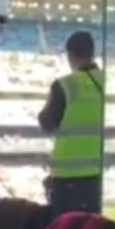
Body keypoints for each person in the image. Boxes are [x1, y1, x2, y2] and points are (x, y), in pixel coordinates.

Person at [38, 31, 105, 214]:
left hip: (65, 177)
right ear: (92, 53)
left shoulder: (64, 85)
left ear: (70, 55)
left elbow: (47, 123)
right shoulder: (109, 82)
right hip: (96, 176)